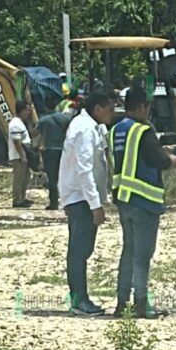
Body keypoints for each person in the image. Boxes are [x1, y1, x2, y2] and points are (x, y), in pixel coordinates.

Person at [110, 85, 176, 319]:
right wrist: (175, 160)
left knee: (128, 251)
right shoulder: (143, 131)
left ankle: (122, 302)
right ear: (143, 106)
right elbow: (157, 159)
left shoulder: (116, 129)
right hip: (144, 200)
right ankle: (141, 303)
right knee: (142, 255)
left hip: (123, 198)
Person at [58, 89, 115, 316]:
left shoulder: (93, 127)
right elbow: (84, 170)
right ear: (98, 109)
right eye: (110, 109)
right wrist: (95, 205)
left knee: (83, 250)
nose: (112, 114)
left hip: (84, 197)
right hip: (80, 198)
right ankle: (79, 300)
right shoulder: (83, 130)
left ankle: (81, 297)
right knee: (79, 251)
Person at [38, 100, 72, 210]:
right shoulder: (65, 119)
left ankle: (53, 203)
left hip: (49, 151)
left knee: (52, 178)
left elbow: (35, 133)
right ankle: (66, 201)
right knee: (63, 177)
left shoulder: (43, 120)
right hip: (63, 150)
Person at [8, 101, 35, 208]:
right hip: (18, 155)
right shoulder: (15, 123)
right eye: (27, 111)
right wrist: (22, 156)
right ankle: (17, 199)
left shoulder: (21, 122)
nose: (28, 113)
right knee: (19, 177)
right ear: (22, 111)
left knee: (26, 176)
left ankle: (22, 197)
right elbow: (17, 142)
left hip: (23, 154)